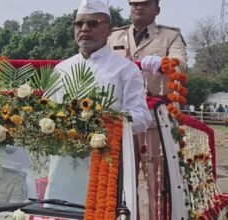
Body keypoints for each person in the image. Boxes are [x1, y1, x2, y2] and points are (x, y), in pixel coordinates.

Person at [45, 0, 151, 207]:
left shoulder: (125, 70)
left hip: (105, 164)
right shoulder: (61, 69)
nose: (84, 28)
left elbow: (142, 117)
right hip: (64, 163)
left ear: (109, 29)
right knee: (59, 211)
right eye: (79, 24)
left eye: (93, 23)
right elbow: (47, 111)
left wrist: (103, 121)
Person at [108, 0, 187, 219]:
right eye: (134, 4)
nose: (138, 8)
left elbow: (181, 63)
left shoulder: (170, 36)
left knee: (158, 183)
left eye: (144, 4)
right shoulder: (114, 36)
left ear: (157, 9)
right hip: (119, 118)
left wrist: (163, 61)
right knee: (119, 182)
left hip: (155, 120)